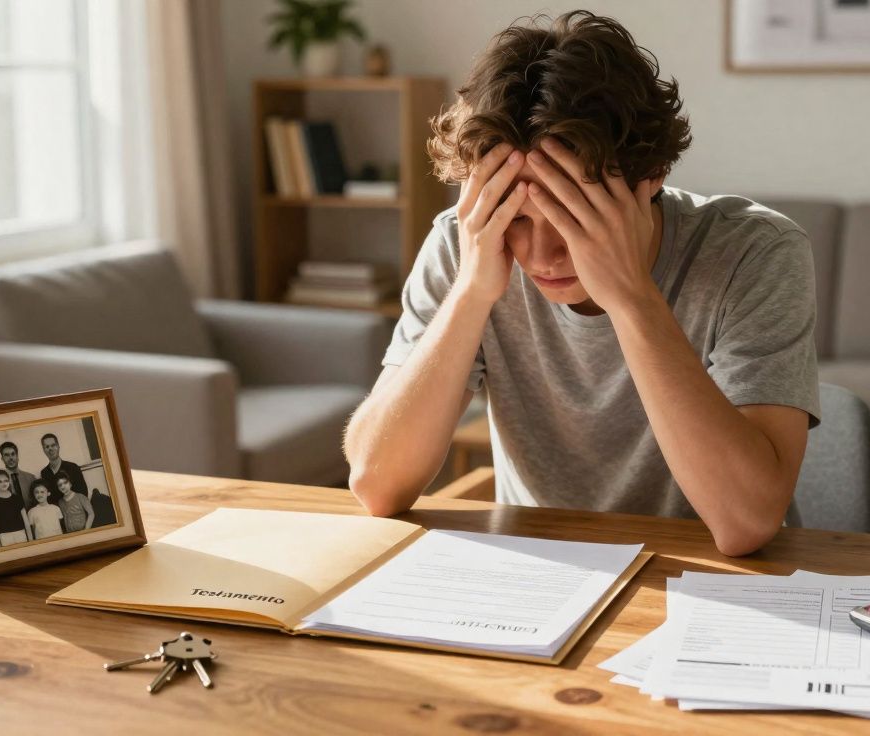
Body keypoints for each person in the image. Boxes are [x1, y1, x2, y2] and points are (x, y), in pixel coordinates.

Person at [344, 11, 819, 557]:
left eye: (572, 214)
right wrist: (472, 291)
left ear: (651, 176)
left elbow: (747, 523)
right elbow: (376, 485)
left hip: (712, 579)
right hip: (546, 576)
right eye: (517, 217)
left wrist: (632, 297)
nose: (541, 255)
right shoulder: (467, 241)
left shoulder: (756, 251)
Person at [0, 469, 33, 547]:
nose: (3, 483)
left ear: (9, 481)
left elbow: (26, 522)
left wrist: (31, 540)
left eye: (6, 480)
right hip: (5, 537)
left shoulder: (17, 498)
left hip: (21, 534)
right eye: (0, 481)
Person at [38, 433, 87, 506]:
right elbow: (48, 498)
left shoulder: (73, 467)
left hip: (75, 511)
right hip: (57, 514)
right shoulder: (44, 473)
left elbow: (83, 493)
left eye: (53, 445)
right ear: (44, 450)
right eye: (47, 447)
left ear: (58, 446)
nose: (50, 449)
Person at [0, 441, 44, 509]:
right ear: (2, 459)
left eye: (13, 454)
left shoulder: (31, 478)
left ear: (17, 456)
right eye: (6, 455)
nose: (10, 458)